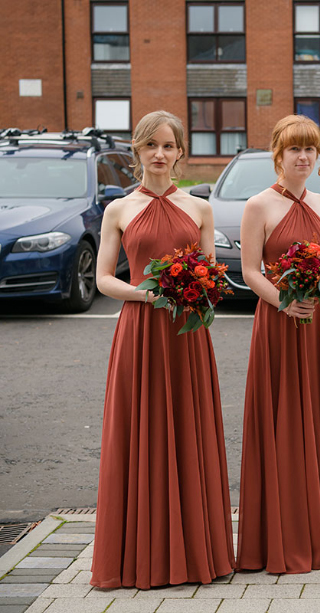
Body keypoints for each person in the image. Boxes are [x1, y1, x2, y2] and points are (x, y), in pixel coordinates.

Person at [91, 110, 234, 588]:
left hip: (188, 334)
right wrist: (147, 294)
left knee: (188, 430)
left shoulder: (200, 208)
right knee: (141, 431)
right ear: (138, 151)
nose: (160, 154)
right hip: (141, 330)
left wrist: (198, 289)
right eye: (151, 145)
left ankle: (196, 552)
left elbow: (213, 276)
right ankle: (141, 555)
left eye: (168, 146)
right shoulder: (119, 209)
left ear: (179, 153)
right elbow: (104, 278)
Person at [235, 115, 320, 574]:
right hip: (278, 327)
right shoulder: (257, 205)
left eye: (310, 149)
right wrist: (284, 305)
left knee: (318, 421)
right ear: (278, 154)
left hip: (318, 333)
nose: (304, 157)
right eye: (295, 150)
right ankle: (285, 535)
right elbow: (250, 272)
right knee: (285, 423)